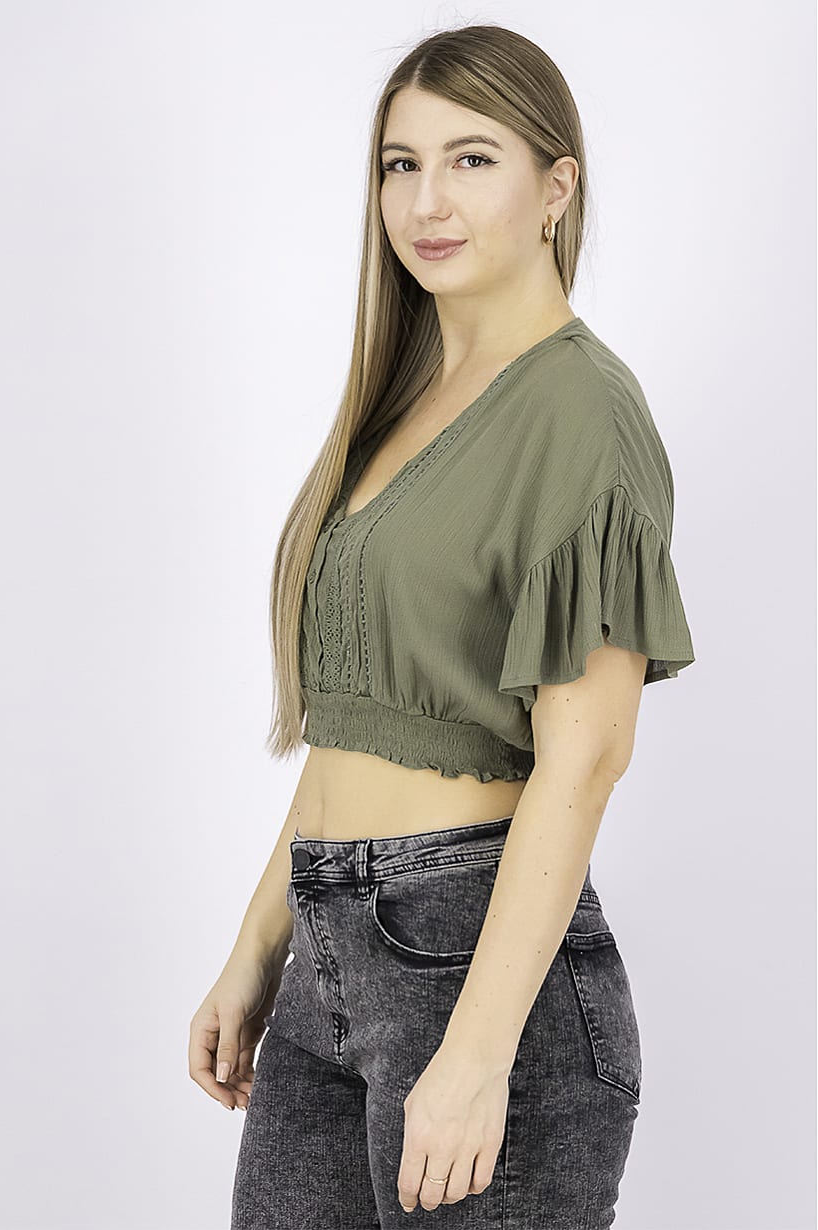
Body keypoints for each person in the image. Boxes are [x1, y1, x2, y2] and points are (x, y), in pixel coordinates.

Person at [189, 22, 695, 1229]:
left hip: (475, 967)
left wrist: (475, 1055)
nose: (426, 201)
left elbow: (584, 759)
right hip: (327, 957)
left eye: (471, 160)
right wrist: (258, 947)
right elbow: (359, 726)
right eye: (399, 164)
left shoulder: (580, 409)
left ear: (555, 187)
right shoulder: (400, 401)